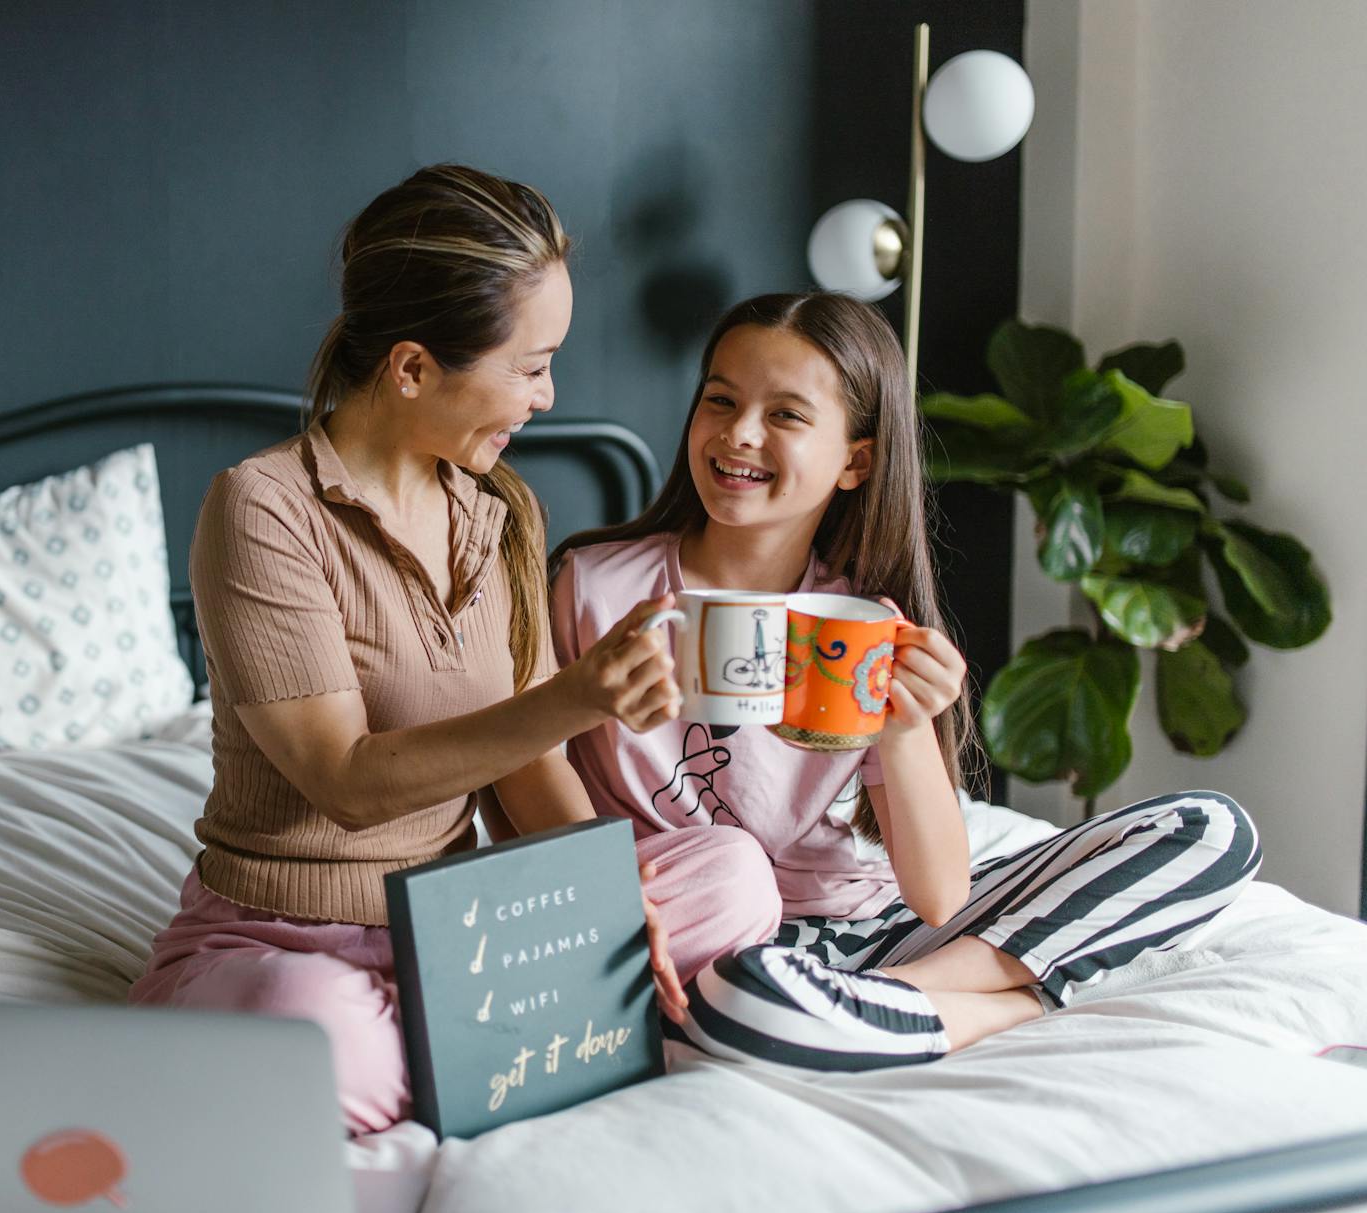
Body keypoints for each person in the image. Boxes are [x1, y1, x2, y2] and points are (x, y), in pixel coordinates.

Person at [128, 166, 780, 1134]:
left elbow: (523, 769)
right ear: (409, 367)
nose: (547, 395)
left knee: (733, 873)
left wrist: (603, 894)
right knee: (311, 1031)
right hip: (281, 936)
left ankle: (462, 1047)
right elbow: (342, 779)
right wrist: (581, 692)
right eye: (529, 365)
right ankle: (500, 1047)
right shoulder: (263, 508)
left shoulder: (499, 511)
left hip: (461, 933)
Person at [550, 291, 1260, 1072]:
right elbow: (537, 786)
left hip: (868, 934)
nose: (738, 433)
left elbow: (938, 898)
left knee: (1213, 831)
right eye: (720, 400)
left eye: (785, 414)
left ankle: (887, 998)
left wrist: (907, 723)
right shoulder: (592, 589)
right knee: (738, 982)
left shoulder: (862, 625)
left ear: (856, 460)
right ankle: (1008, 1003)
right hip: (697, 931)